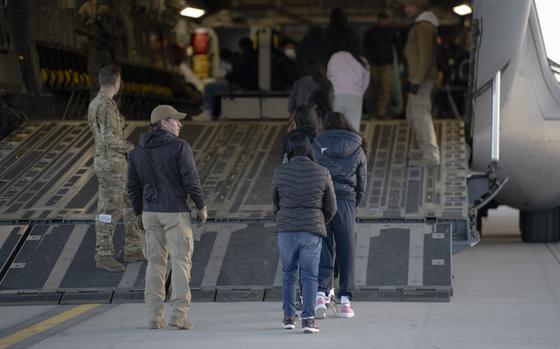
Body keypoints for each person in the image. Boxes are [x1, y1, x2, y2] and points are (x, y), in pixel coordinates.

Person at [127, 105, 208, 330]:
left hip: (150, 213)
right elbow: (191, 180)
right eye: (175, 120)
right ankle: (179, 316)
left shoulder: (137, 150)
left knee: (155, 264)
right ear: (163, 123)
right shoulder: (179, 147)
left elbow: (132, 186)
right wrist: (201, 206)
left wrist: (138, 212)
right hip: (174, 213)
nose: (179, 124)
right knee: (181, 262)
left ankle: (154, 317)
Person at [272, 131, 337, 334]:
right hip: (311, 230)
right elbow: (332, 207)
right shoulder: (322, 172)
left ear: (289, 149)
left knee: (289, 274)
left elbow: (275, 203)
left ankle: (288, 317)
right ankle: (308, 320)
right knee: (310, 275)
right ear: (309, 148)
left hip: (286, 229)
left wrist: (283, 220)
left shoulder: (280, 172)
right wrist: (319, 221)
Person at [87, 65, 143, 272]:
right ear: (116, 82)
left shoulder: (95, 104)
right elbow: (109, 138)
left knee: (130, 202)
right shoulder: (107, 106)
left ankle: (133, 248)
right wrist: (133, 148)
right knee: (109, 209)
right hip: (112, 165)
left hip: (111, 163)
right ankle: (103, 254)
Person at [312, 112, 367, 319]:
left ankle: (320, 294)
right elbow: (362, 183)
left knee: (323, 246)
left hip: (322, 200)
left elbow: (312, 173)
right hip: (346, 200)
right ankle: (345, 302)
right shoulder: (357, 147)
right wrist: (353, 203)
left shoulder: (316, 143)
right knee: (347, 250)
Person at [403, 0, 441, 167]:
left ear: (418, 7)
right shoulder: (420, 25)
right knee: (412, 115)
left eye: (409, 6)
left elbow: (426, 55)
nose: (406, 9)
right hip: (417, 77)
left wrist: (417, 80)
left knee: (421, 115)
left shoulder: (424, 26)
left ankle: (431, 155)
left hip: (422, 79)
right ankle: (424, 148)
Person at [192, 37, 258, 121]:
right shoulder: (254, 56)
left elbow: (236, 73)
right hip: (246, 84)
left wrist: (226, 77)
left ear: (241, 47)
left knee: (209, 87)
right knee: (217, 86)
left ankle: (207, 113)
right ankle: (215, 113)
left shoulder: (245, 57)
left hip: (240, 85)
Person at [326, 8, 370, 131]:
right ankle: (351, 150)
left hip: (337, 96)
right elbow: (365, 81)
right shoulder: (362, 61)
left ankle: (335, 149)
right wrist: (359, 92)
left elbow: (328, 76)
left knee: (335, 128)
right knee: (353, 130)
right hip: (355, 97)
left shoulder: (334, 57)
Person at [363, 9, 400, 118]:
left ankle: (381, 113)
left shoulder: (392, 31)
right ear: (378, 19)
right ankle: (377, 111)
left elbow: (398, 46)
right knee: (375, 88)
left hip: (386, 65)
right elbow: (366, 48)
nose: (385, 22)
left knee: (385, 89)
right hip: (373, 64)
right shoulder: (370, 32)